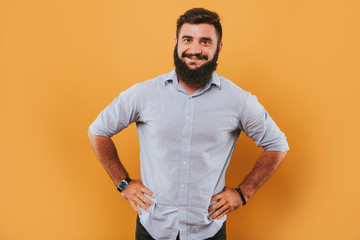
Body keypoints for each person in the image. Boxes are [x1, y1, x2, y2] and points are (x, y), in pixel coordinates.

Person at [88, 8, 289, 240]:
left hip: (208, 230)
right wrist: (123, 183)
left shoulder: (238, 100)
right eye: (187, 40)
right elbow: (98, 131)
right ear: (176, 43)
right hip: (153, 228)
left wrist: (244, 192)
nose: (195, 50)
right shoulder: (144, 94)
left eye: (205, 41)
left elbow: (277, 145)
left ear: (218, 47)